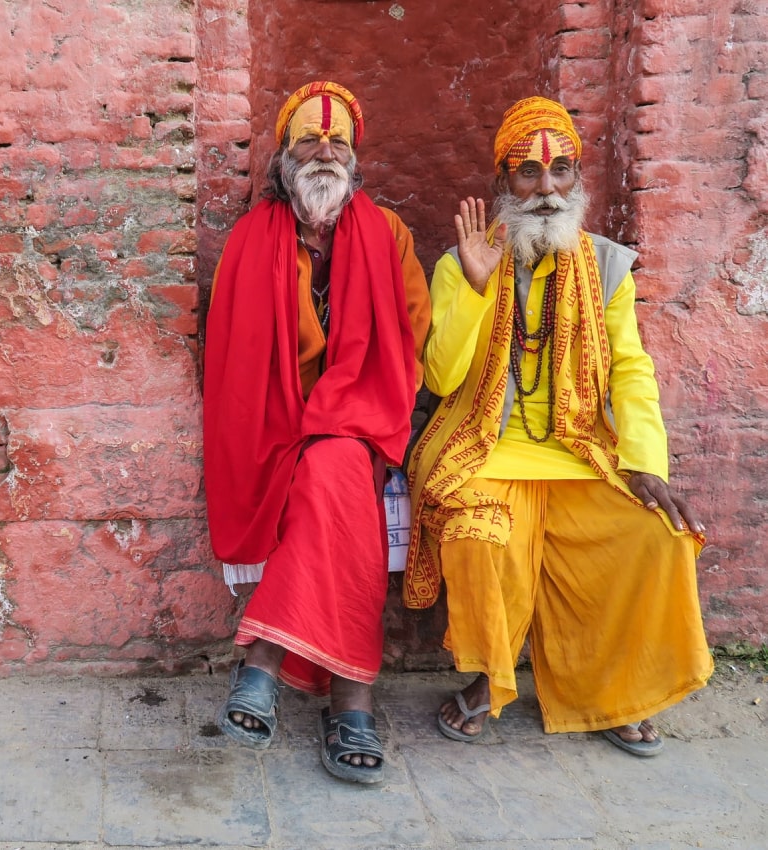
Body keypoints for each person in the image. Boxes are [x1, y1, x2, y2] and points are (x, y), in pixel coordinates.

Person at [404, 96, 713, 756]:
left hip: (579, 449)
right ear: (503, 182)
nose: (547, 188)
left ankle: (616, 690)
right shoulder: (463, 262)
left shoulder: (607, 267)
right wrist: (475, 286)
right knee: (479, 535)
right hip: (482, 446)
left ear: (577, 179)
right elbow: (441, 378)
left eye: (561, 170)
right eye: (529, 172)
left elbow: (631, 369)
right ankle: (489, 678)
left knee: (657, 536)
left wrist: (644, 462)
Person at [203, 81, 430, 783]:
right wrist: (301, 418)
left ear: (355, 159)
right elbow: (231, 355)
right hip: (274, 424)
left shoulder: (388, 235)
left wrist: (350, 410)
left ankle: (264, 659)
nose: (324, 152)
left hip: (363, 418)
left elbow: (409, 344)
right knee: (331, 478)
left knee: (336, 463)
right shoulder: (251, 240)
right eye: (309, 140)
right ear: (285, 156)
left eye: (337, 142)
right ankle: (350, 700)